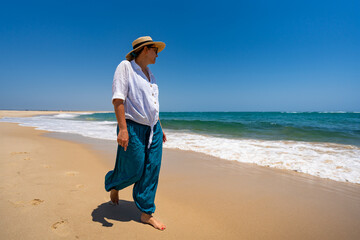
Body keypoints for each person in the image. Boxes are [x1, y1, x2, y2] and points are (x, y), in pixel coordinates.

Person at [104, 36, 167, 231]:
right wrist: (123, 129)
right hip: (131, 126)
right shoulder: (126, 67)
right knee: (135, 168)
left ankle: (146, 213)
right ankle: (114, 183)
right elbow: (118, 99)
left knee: (152, 168)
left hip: (153, 128)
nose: (157, 54)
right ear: (145, 49)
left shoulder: (152, 76)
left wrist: (160, 127)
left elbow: (152, 107)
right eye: (155, 50)